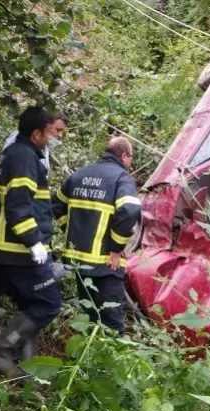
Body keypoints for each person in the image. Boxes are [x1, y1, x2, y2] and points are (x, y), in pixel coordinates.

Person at [0, 106, 62, 377]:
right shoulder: (25, 158)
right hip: (18, 249)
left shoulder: (12, 154)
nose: (51, 138)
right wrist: (34, 242)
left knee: (30, 305)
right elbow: (18, 206)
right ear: (36, 133)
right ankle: (1, 352)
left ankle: (28, 369)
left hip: (5, 246)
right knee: (47, 304)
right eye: (50, 133)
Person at [51, 137, 141, 335]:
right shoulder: (121, 178)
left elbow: (56, 204)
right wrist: (116, 248)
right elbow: (129, 210)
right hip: (105, 262)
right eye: (131, 157)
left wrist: (70, 230)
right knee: (112, 322)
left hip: (78, 261)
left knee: (90, 317)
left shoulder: (80, 175)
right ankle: (111, 364)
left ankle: (90, 359)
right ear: (124, 156)